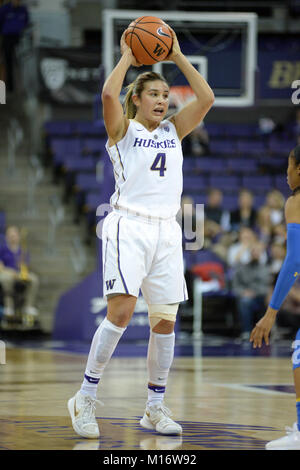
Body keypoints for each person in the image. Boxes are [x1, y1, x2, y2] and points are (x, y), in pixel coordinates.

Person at [67, 26, 214, 438]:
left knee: (165, 321)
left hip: (167, 231)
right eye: (154, 94)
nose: (162, 101)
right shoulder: (123, 130)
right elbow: (108, 96)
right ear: (138, 99)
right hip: (127, 225)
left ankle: (153, 407)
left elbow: (206, 99)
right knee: (122, 312)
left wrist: (179, 55)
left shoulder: (173, 130)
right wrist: (130, 57)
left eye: (166, 96)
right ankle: (85, 396)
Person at [250, 145, 300, 449]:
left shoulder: (296, 201)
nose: (286, 173)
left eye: (289, 166)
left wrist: (271, 312)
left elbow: (294, 260)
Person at [232, 242, 271, 341]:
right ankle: (246, 331)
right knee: (245, 301)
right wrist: (243, 292)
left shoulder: (266, 269)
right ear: (250, 253)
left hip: (261, 297)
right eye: (253, 251)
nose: (255, 254)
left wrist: (255, 292)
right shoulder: (242, 268)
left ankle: (267, 331)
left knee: (270, 300)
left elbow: (267, 286)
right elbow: (236, 285)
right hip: (246, 296)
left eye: (257, 252)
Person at [0, 225, 39, 317]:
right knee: (5, 279)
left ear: (18, 236)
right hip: (7, 273)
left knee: (34, 279)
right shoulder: (2, 250)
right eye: (10, 236)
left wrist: (22, 267)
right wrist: (10, 272)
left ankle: (28, 306)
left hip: (19, 273)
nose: (12, 238)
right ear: (7, 237)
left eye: (14, 235)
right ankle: (9, 306)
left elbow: (25, 266)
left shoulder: (23, 251)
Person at [0, 0, 29, 93]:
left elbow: (26, 22)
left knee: (20, 62)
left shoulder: (23, 9)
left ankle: (21, 88)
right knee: (7, 63)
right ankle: (8, 89)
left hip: (19, 38)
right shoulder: (5, 9)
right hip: (7, 38)